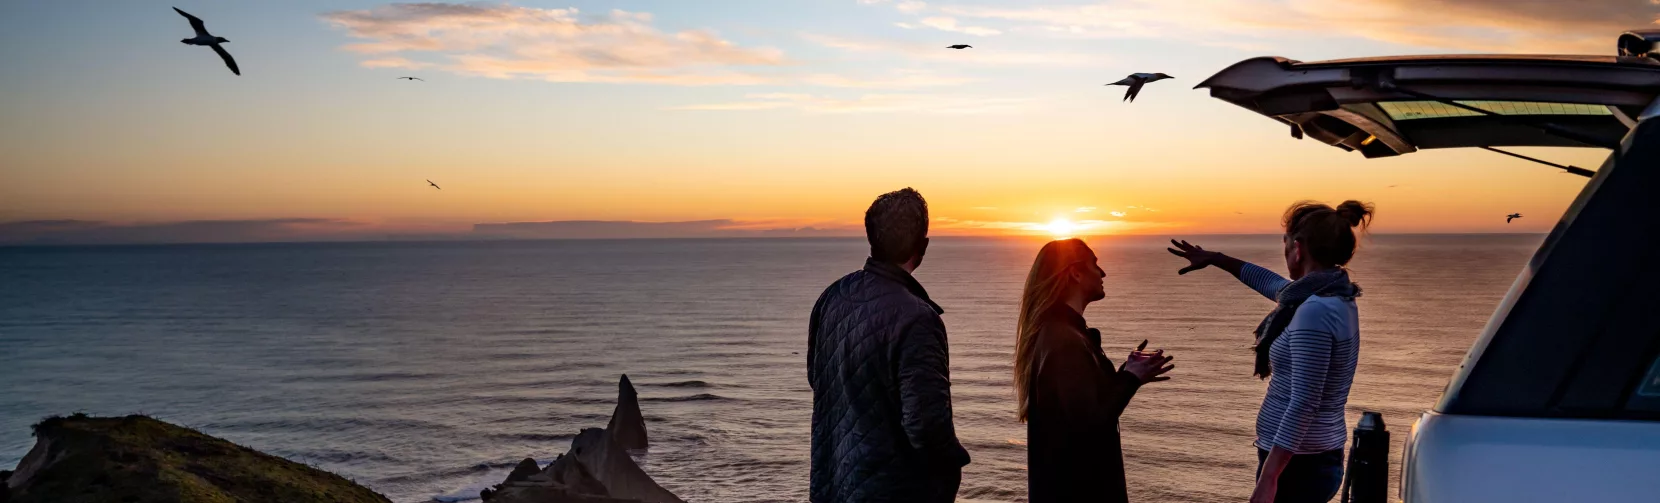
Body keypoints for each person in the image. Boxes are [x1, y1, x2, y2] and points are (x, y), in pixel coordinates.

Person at [1168, 200, 1373, 503]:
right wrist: (1216, 258)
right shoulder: (1330, 294)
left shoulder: (1315, 310)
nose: (1284, 251)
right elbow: (1272, 284)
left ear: (1298, 248)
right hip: (1307, 458)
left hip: (1299, 467)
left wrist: (1268, 479)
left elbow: (1305, 402)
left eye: (1285, 243)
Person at [807, 188, 970, 503]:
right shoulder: (918, 320)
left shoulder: (831, 297)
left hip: (832, 484)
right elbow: (926, 425)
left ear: (871, 238)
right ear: (922, 246)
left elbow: (818, 379)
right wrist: (953, 467)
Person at [1016, 238, 1176, 503]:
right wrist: (1130, 378)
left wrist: (1128, 372)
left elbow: (1082, 405)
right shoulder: (1065, 340)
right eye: (1095, 264)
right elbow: (1090, 423)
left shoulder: (1060, 332)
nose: (1103, 273)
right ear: (1075, 272)